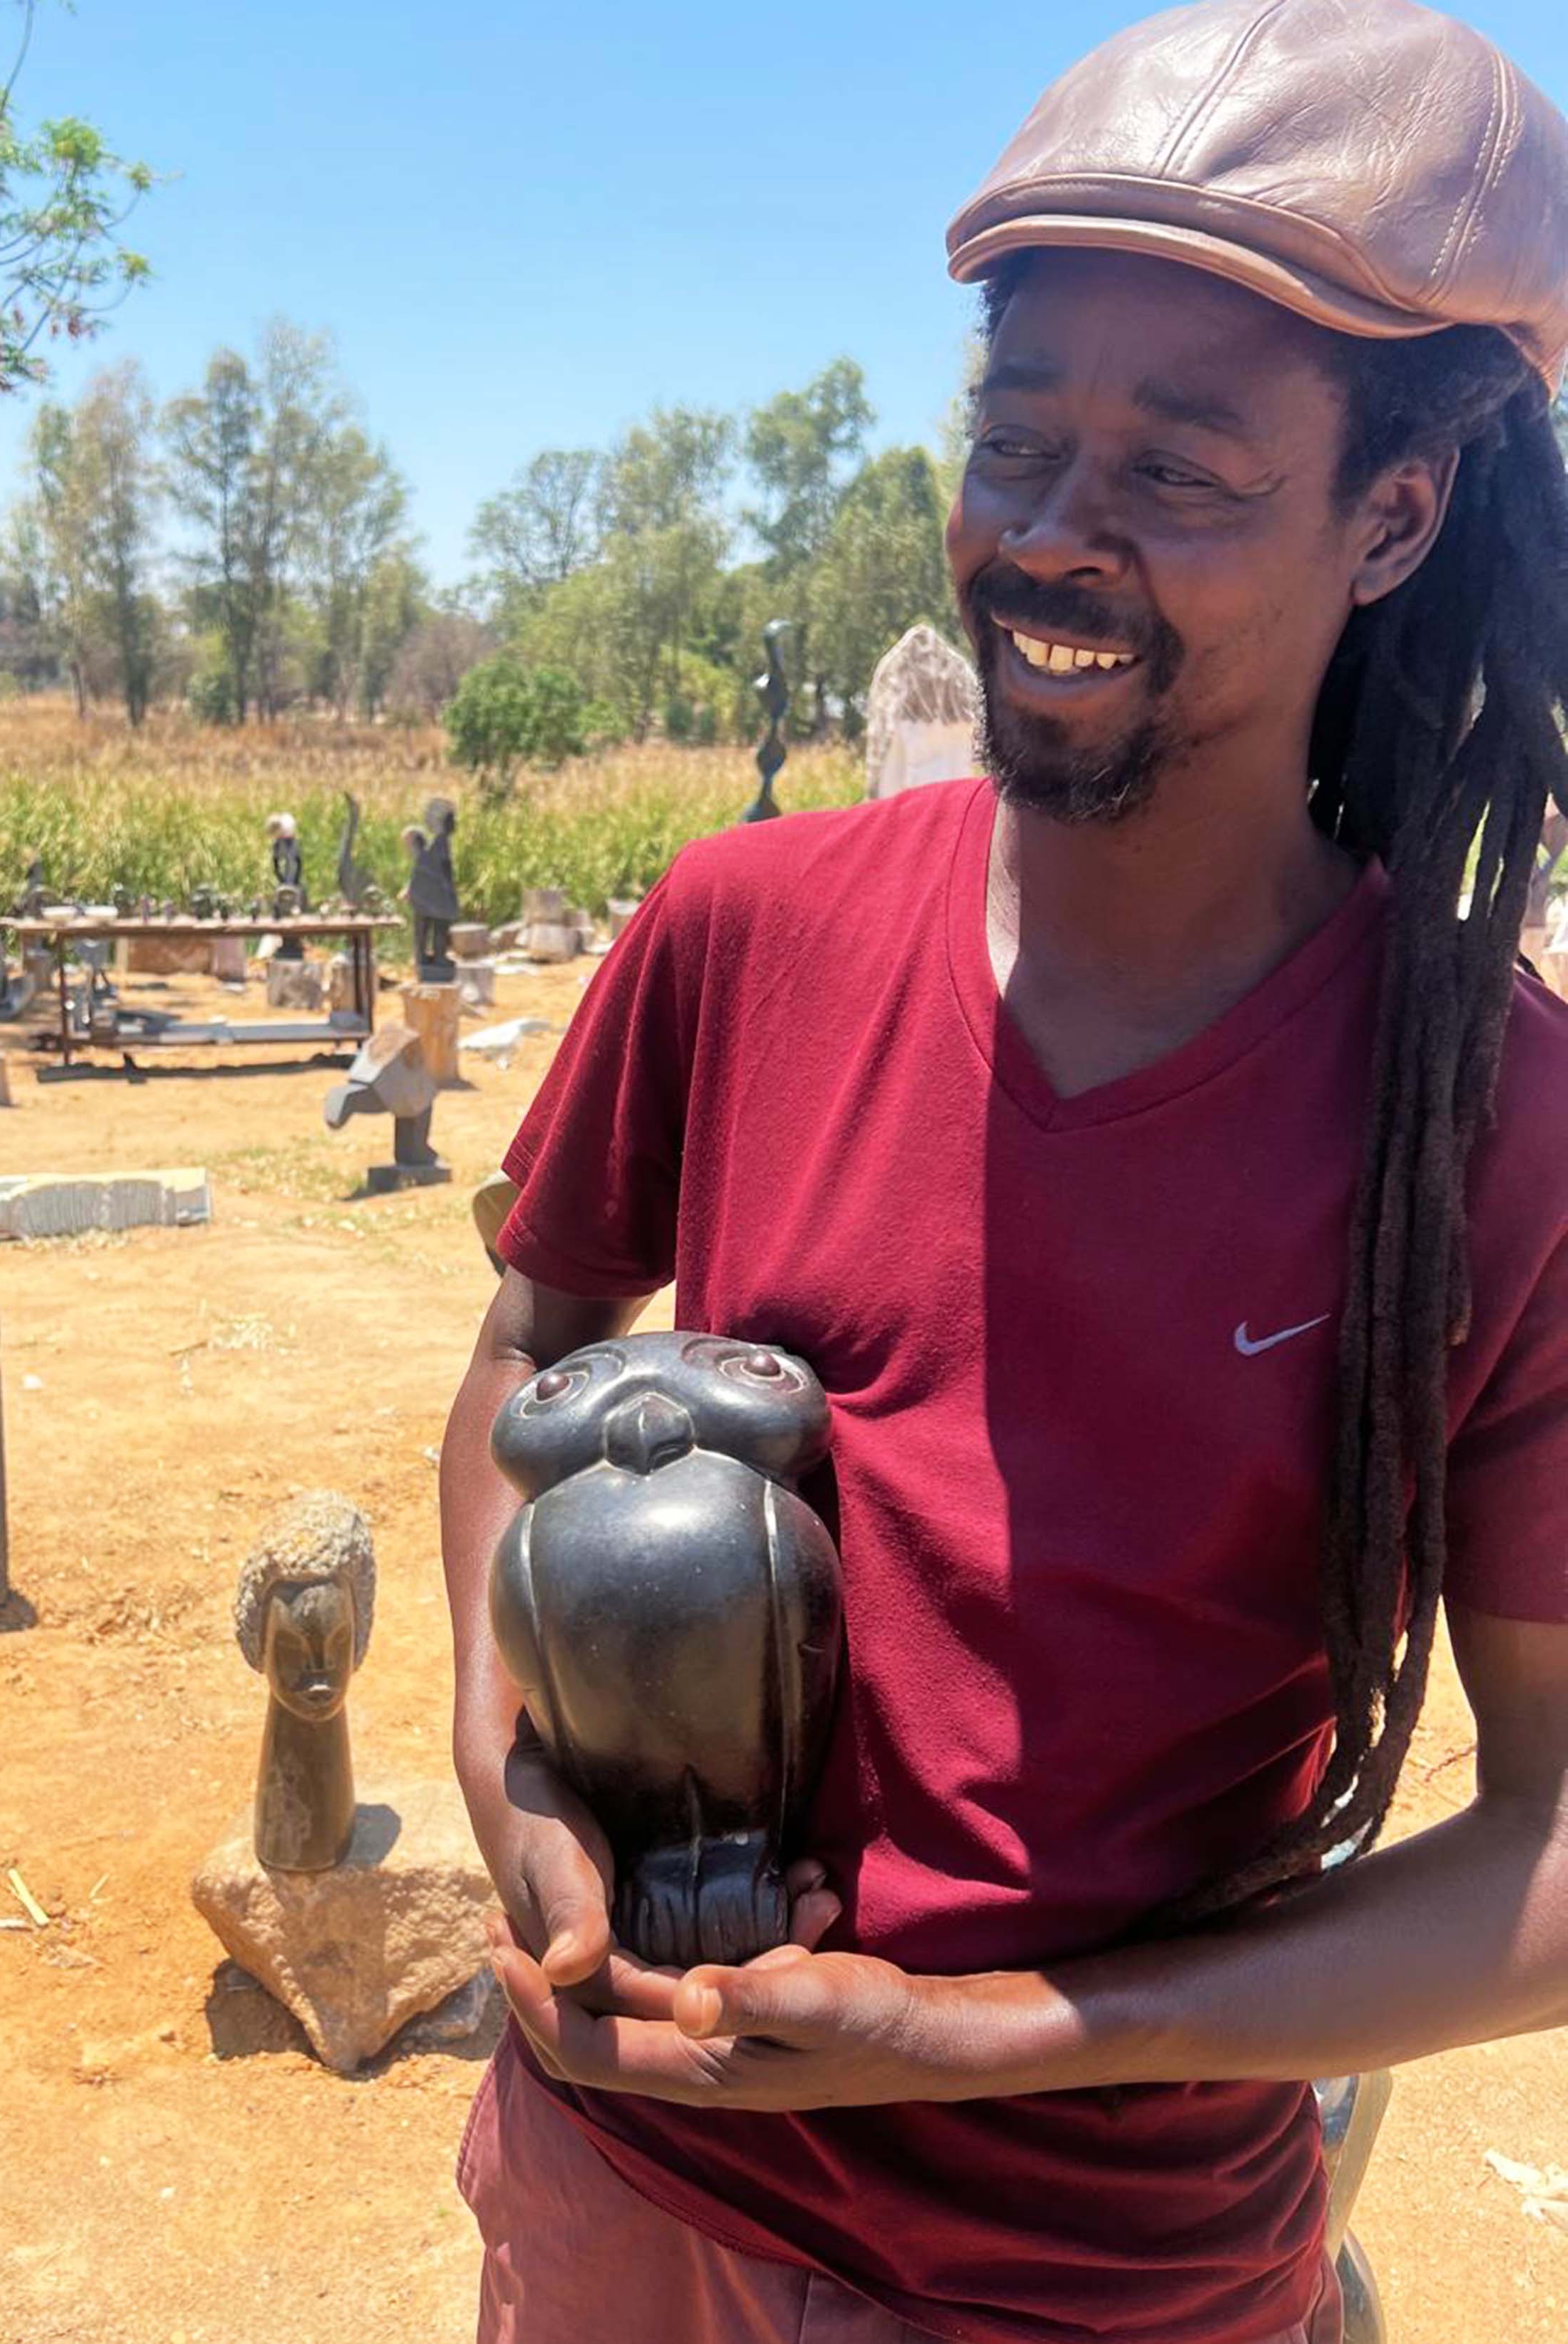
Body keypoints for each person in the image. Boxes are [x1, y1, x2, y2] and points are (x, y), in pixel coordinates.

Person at [438, 4, 1568, 2339]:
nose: (1056, 534)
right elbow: (531, 1347)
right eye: (1019, 435)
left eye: (1178, 468)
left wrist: (1013, 2032)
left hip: (1091, 2271)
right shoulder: (744, 927)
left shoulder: (1498, 1131)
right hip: (612, 2177)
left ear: (1394, 514)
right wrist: (506, 1762)